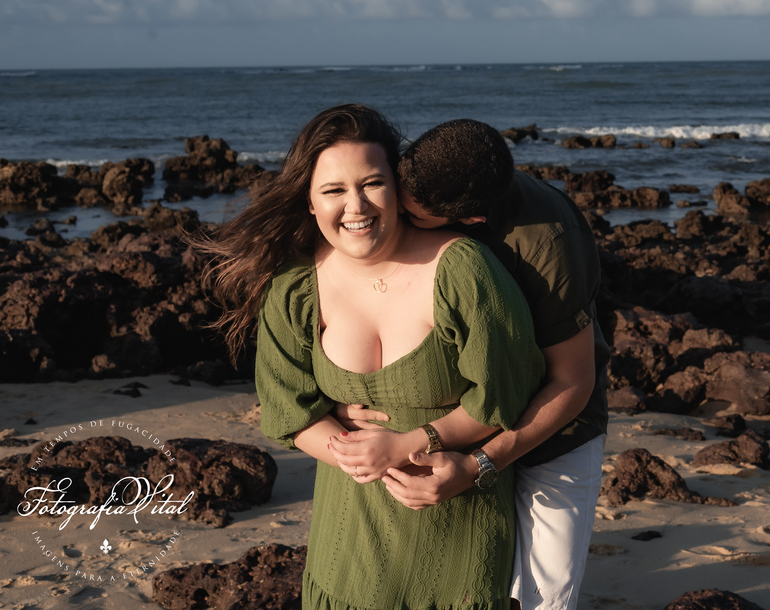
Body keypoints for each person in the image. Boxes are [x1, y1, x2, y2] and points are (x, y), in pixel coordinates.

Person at [199, 105, 544, 610]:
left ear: (398, 189)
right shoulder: (295, 287)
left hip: (456, 534)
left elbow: (505, 398)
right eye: (334, 190)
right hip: (349, 544)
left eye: (372, 184)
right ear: (310, 203)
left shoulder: (463, 270)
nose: (356, 206)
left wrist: (414, 440)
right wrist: (360, 451)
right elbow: (287, 412)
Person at [334, 119, 610, 610]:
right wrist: (346, 397)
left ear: (472, 224)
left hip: (551, 428)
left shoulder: (547, 241)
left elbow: (574, 380)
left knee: (541, 595)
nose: (394, 214)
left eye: (415, 218)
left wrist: (480, 464)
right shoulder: (409, 179)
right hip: (450, 422)